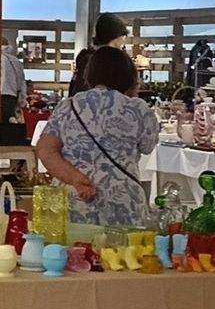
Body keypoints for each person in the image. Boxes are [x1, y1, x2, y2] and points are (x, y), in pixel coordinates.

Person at [36, 46, 159, 229]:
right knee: (122, 256)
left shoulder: (68, 106)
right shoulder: (139, 109)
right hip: (123, 200)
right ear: (129, 76)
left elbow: (45, 150)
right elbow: (148, 146)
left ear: (90, 74)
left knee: (72, 254)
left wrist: (75, 177)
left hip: (75, 198)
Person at [69, 11, 128, 94]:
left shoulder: (88, 58)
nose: (123, 41)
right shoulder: (96, 61)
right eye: (123, 36)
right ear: (116, 36)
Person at [0, 42, 27, 121]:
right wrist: (22, 98)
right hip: (12, 96)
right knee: (10, 123)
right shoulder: (15, 61)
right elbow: (21, 80)